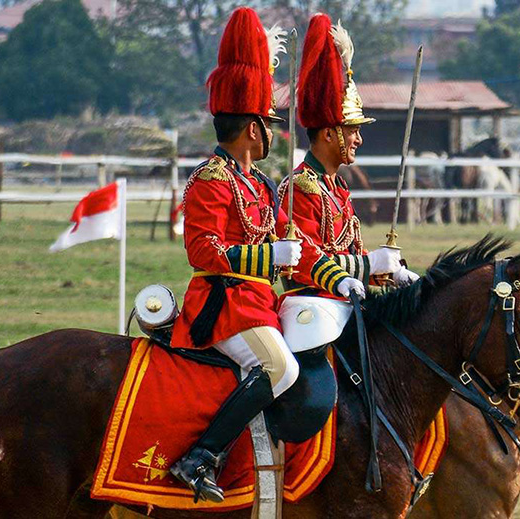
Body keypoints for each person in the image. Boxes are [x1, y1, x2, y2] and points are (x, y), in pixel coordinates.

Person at [168, 8, 361, 502]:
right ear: (253, 130)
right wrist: (266, 255)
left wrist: (338, 278)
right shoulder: (213, 178)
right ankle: (200, 458)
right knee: (281, 369)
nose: (274, 132)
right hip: (224, 305)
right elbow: (202, 250)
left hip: (258, 306)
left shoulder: (259, 183)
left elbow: (296, 253)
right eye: (269, 124)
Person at [279, 14, 419, 304]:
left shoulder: (337, 187)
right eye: (352, 131)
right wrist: (370, 264)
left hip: (345, 300)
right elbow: (304, 260)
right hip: (312, 305)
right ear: (329, 135)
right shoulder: (300, 187)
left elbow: (350, 256)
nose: (359, 139)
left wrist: (390, 272)